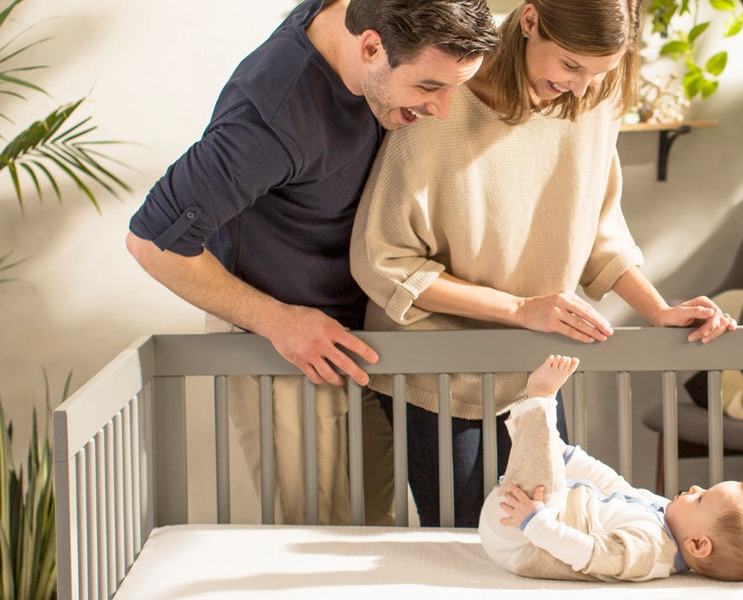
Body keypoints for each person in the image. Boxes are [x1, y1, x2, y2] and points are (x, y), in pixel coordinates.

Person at [349, 0, 738, 527]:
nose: (581, 86)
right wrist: (520, 308)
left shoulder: (593, 102)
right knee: (475, 535)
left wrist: (658, 309)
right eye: (571, 65)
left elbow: (597, 228)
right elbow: (384, 261)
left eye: (598, 71)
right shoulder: (441, 104)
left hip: (534, 368)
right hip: (436, 370)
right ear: (529, 21)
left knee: (546, 525)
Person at [125, 0, 498, 525]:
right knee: (318, 529)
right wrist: (278, 322)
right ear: (370, 47)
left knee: (377, 528)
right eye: (430, 88)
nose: (443, 109)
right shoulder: (271, 119)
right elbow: (152, 242)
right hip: (287, 344)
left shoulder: (366, 18)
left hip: (361, 333)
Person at [479, 355, 743, 582]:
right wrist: (568, 457)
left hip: (524, 540)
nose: (695, 488)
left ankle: (540, 402)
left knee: (544, 488)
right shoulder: (665, 514)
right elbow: (613, 484)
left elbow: (589, 553)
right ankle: (541, 435)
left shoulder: (651, 549)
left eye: (702, 498)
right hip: (525, 515)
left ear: (697, 544)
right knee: (550, 468)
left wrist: (535, 523)